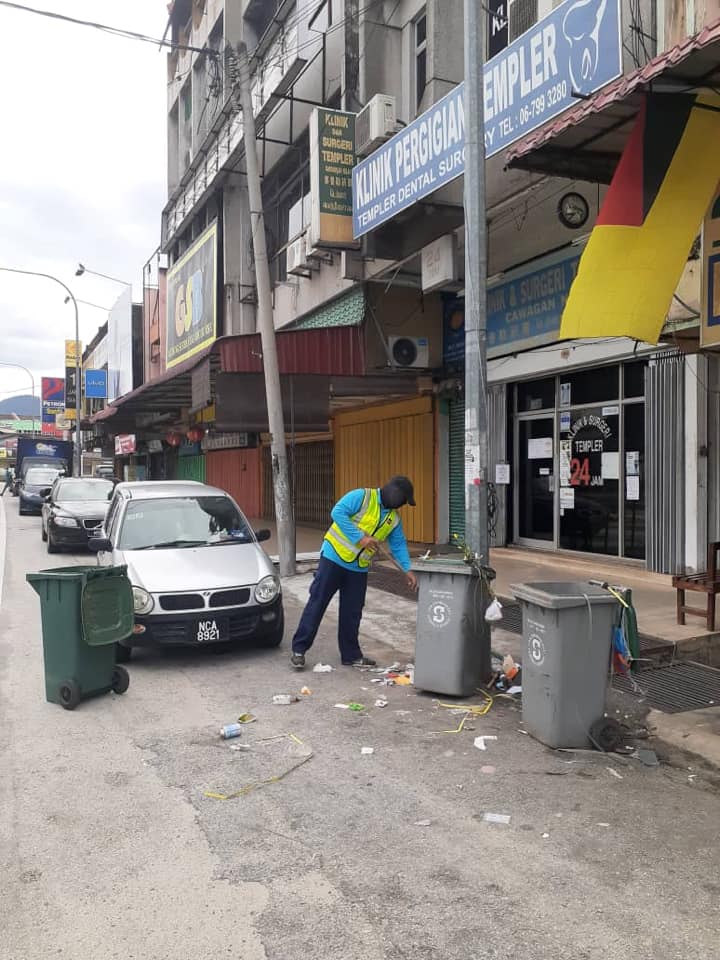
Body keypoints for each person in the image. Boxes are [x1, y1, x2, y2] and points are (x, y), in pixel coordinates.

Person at [291, 476, 418, 669]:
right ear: (394, 493)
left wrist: (407, 570)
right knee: (317, 602)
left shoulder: (393, 519)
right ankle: (299, 650)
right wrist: (360, 538)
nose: (402, 505)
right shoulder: (362, 496)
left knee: (352, 612)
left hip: (358, 567)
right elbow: (337, 512)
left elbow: (398, 545)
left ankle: (351, 655)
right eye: (403, 500)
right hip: (333, 558)